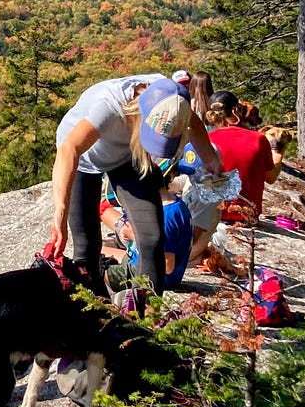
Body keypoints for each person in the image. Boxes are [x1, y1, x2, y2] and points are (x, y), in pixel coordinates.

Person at [48, 74, 222, 294]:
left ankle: (148, 314)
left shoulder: (173, 99)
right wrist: (60, 211)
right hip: (85, 158)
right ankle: (95, 312)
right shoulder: (109, 108)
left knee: (152, 237)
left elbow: (194, 125)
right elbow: (69, 149)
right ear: (142, 114)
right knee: (87, 247)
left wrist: (212, 162)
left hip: (128, 154)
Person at [206, 90, 283, 220]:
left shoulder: (206, 140)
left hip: (211, 215)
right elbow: (271, 178)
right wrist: (278, 154)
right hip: (246, 215)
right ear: (236, 110)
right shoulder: (258, 139)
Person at [102, 185, 196, 290]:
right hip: (138, 260)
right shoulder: (173, 204)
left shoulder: (165, 217)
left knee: (89, 272)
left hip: (146, 276)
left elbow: (167, 266)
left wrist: (135, 237)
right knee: (92, 253)